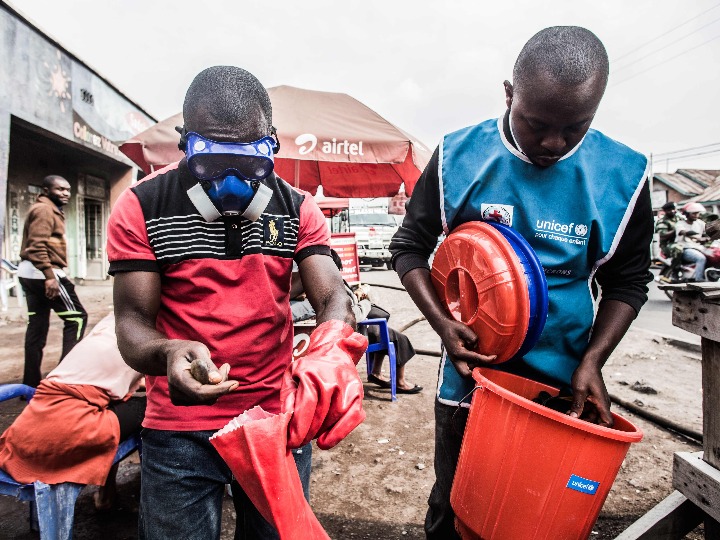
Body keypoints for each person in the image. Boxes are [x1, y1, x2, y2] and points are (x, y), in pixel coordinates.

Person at [389, 26, 653, 539]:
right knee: (453, 510)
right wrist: (443, 324)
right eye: (536, 124)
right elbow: (408, 248)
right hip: (471, 381)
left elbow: (630, 281)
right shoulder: (457, 156)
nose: (553, 142)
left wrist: (592, 361)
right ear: (509, 93)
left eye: (575, 127)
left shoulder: (624, 174)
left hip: (561, 387)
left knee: (538, 516)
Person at [107, 66, 361, 540]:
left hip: (274, 419)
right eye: (210, 162)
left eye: (249, 163)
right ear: (186, 143)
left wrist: (331, 354)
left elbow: (333, 297)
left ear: (271, 143)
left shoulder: (298, 208)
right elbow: (132, 323)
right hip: (177, 430)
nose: (228, 180)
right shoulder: (140, 206)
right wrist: (166, 353)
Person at [0, 313, 145, 510]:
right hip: (69, 429)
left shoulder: (110, 323)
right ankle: (134, 495)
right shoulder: (149, 333)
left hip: (26, 432)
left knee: (115, 407)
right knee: (149, 409)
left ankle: (107, 495)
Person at [290, 251, 422, 393]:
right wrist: (365, 302)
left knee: (388, 332)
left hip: (351, 327)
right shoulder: (324, 293)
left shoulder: (315, 289)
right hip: (353, 330)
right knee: (398, 338)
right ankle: (398, 381)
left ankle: (376, 373)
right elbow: (352, 315)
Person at [17, 175, 88, 388]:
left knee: (36, 327)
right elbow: (36, 246)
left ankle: (30, 385)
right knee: (77, 318)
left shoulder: (46, 209)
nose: (66, 193)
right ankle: (63, 380)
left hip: (30, 274)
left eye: (67, 190)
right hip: (44, 275)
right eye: (60, 190)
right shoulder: (44, 210)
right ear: (46, 190)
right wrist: (49, 276)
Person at [676, 202, 708, 281]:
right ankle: (699, 280)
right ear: (687, 214)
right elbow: (683, 232)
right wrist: (697, 238)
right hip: (685, 249)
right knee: (701, 258)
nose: (696, 215)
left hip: (699, 248)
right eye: (693, 213)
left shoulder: (700, 223)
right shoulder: (680, 224)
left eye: (697, 213)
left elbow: (709, 229)